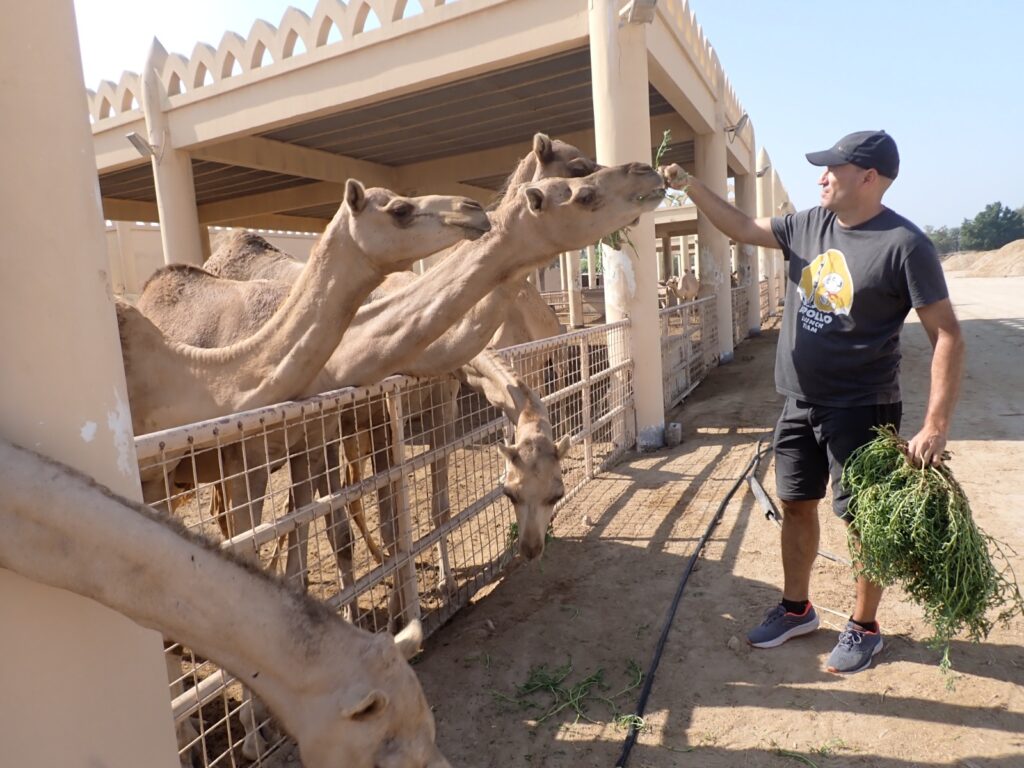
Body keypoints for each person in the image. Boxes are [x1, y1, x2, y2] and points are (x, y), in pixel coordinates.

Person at [662, 130, 965, 673]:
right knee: (797, 504)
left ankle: (864, 627)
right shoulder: (808, 224)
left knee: (865, 520)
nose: (821, 176)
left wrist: (935, 425)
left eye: (833, 168)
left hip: (862, 407)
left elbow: (947, 334)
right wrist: (689, 186)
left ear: (868, 178)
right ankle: (797, 609)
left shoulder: (905, 245)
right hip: (798, 401)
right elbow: (740, 225)